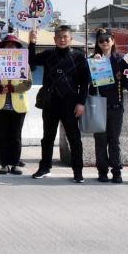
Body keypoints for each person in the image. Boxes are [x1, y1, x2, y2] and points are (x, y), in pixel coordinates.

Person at [28, 24, 90, 183]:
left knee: (74, 138)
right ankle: (44, 167)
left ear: (70, 38)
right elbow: (32, 60)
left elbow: (85, 83)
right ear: (54, 39)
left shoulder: (79, 56)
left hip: (70, 103)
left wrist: (81, 103)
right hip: (50, 102)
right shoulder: (48, 54)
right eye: (59, 37)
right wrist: (32, 43)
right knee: (47, 137)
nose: (62, 40)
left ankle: (78, 171)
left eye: (65, 37)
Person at [0, 34, 32, 175]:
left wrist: (14, 88)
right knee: (2, 135)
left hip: (18, 104)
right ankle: (4, 164)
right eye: (7, 46)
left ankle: (15, 164)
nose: (10, 48)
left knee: (15, 136)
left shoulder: (24, 63)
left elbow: (28, 83)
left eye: (13, 46)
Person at [89, 28, 128, 183]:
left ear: (112, 41)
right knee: (100, 141)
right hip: (98, 105)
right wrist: (94, 64)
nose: (105, 43)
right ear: (97, 43)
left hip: (116, 105)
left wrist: (122, 77)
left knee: (114, 141)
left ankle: (117, 171)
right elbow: (88, 83)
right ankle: (102, 171)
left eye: (107, 39)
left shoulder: (121, 59)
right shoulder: (93, 59)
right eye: (101, 40)